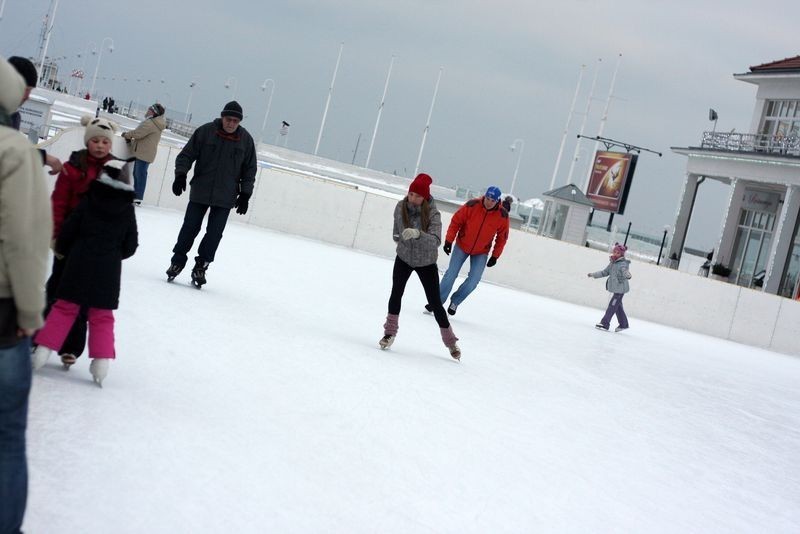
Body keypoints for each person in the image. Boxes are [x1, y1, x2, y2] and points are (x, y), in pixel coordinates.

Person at [0, 56, 52, 534]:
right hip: (2, 316)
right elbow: (26, 238)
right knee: (7, 441)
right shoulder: (15, 150)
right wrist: (31, 312)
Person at [32, 161, 138, 386]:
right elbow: (131, 244)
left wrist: (64, 249)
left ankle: (42, 352)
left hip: (78, 263)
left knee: (63, 309)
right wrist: (113, 256)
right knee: (102, 317)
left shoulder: (88, 200)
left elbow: (69, 229)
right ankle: (101, 364)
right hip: (108, 271)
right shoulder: (127, 209)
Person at [40, 114, 119, 368]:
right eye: (94, 140)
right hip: (69, 241)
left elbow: (122, 209)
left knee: (85, 299)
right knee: (56, 290)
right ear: (87, 142)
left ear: (110, 145)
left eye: (104, 142)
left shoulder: (115, 172)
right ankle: (39, 338)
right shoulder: (72, 167)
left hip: (95, 247)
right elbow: (59, 202)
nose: (99, 146)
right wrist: (56, 236)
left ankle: (71, 347)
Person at [166, 101, 257, 288]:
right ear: (222, 117)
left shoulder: (246, 141)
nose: (231, 123)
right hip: (201, 189)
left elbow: (249, 170)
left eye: (235, 121)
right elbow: (186, 155)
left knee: (214, 234)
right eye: (228, 119)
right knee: (190, 228)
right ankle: (177, 261)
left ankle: (201, 266)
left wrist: (245, 194)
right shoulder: (206, 132)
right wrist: (180, 175)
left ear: (239, 121)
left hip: (226, 196)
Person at [380, 173, 461, 360]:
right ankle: (389, 333)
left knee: (435, 302)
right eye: (411, 194)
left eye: (418, 196)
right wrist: (399, 240)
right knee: (396, 293)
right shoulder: (400, 207)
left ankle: (451, 342)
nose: (413, 199)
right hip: (404, 257)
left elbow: (436, 241)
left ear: (425, 197)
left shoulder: (433, 214)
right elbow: (396, 230)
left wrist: (417, 234)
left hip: (426, 262)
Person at [433, 185, 510, 315]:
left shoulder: (502, 215)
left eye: (493, 200)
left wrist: (495, 256)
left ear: (497, 201)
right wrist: (449, 241)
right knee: (451, 274)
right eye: (488, 198)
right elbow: (456, 221)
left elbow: (502, 238)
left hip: (481, 251)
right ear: (485, 196)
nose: (489, 202)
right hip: (462, 245)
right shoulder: (472, 205)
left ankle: (455, 302)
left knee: (474, 280)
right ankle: (437, 303)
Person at [7, 56, 63, 175]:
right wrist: (45, 158)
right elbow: (9, 151)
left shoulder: (12, 115)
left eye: (30, 91)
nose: (27, 96)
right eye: (25, 90)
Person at [121, 103, 166, 205]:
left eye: (150, 109)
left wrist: (127, 135)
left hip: (144, 153)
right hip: (146, 152)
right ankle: (137, 196)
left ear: (154, 112)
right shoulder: (156, 123)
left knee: (139, 174)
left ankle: (137, 197)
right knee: (139, 174)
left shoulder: (151, 123)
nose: (148, 110)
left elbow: (138, 133)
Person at [588, 242, 632, 332]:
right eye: (614, 252)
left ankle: (605, 323)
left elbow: (625, 271)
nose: (615, 254)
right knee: (617, 306)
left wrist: (627, 274)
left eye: (618, 253)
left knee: (612, 306)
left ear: (621, 254)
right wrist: (593, 275)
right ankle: (624, 324)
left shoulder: (622, 264)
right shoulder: (612, 263)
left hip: (620, 290)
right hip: (616, 289)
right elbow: (604, 272)